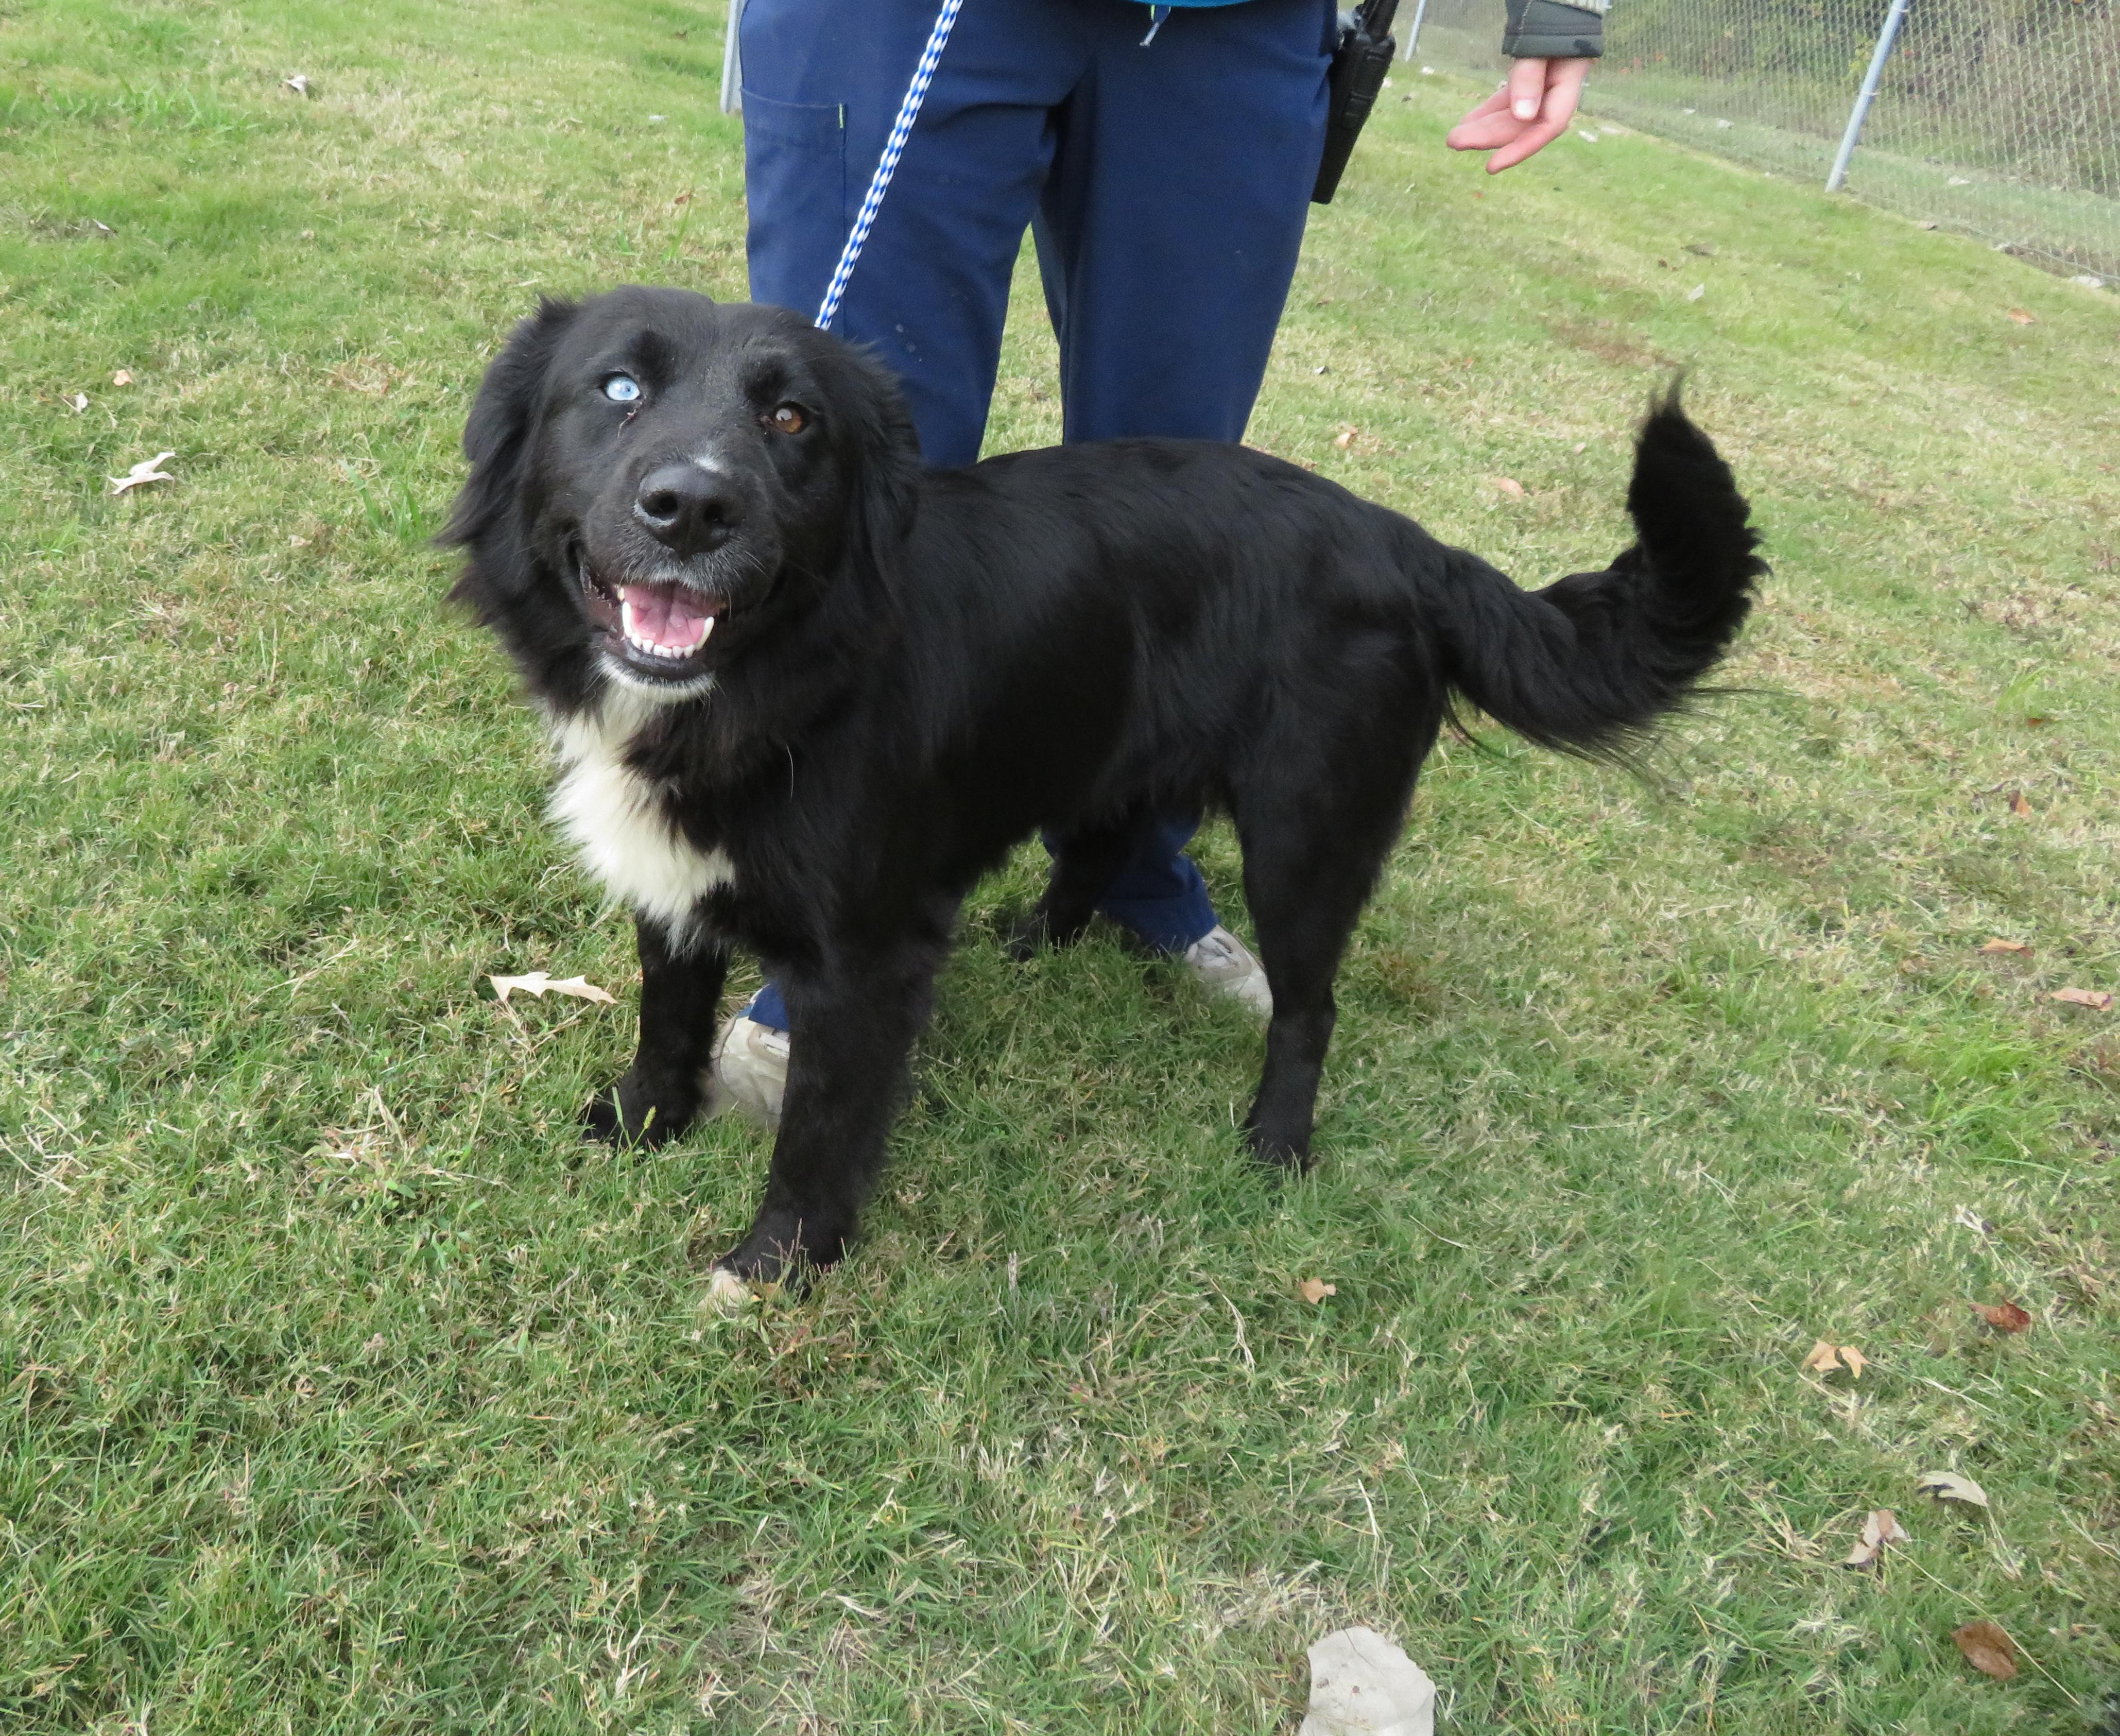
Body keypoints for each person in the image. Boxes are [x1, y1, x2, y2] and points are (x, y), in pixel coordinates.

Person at [714, 0, 1604, 1122]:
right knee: (834, 465)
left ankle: (1127, 858)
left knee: (1175, 506)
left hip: (1230, 22)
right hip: (910, 18)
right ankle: (819, 905)